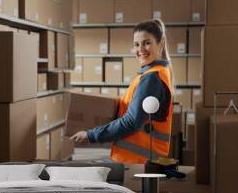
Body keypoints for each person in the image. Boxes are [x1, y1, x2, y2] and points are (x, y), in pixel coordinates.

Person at [70, 19, 174, 164]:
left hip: (138, 162)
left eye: (147, 43)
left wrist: (91, 135)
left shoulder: (152, 78)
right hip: (140, 161)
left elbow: (131, 122)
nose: (141, 50)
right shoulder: (156, 72)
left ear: (161, 44)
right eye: (136, 44)